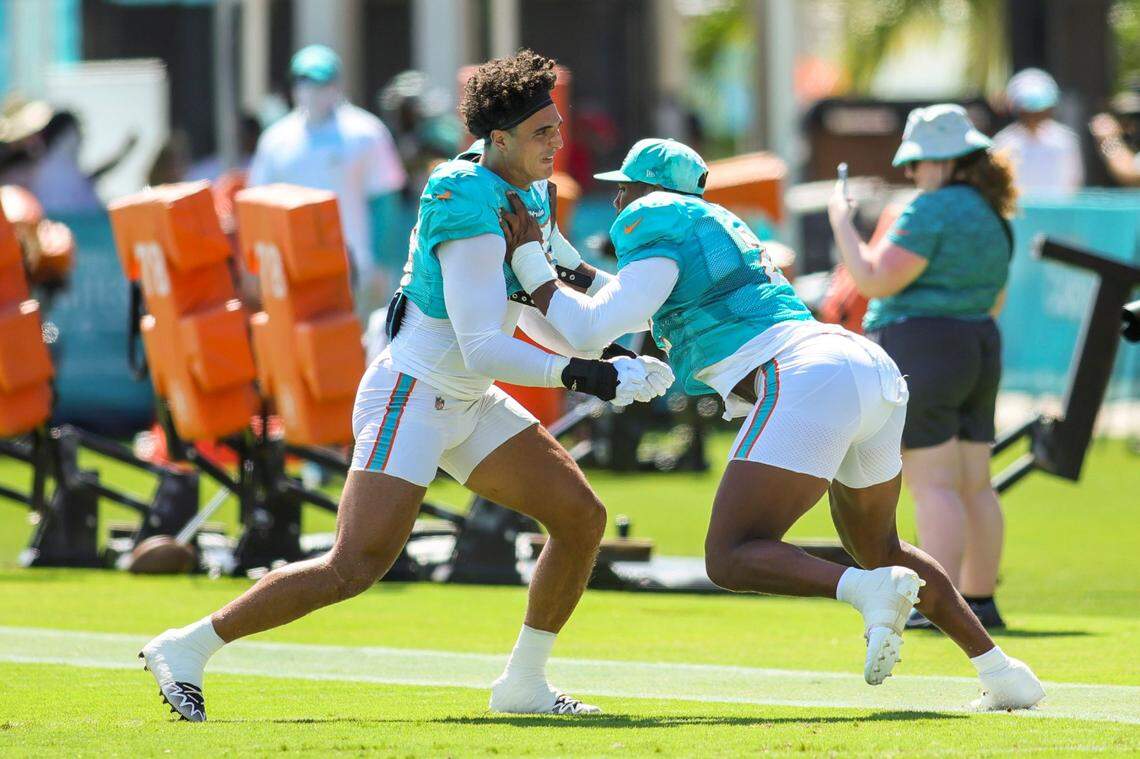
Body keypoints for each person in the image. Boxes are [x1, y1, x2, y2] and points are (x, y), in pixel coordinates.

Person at [139, 49, 672, 722]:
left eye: (556, 128)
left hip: (467, 398)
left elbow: (548, 307)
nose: (556, 143)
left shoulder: (530, 190)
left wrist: (617, 350)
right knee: (353, 566)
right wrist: (590, 375)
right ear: (499, 138)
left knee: (580, 517)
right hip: (414, 393)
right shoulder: (463, 192)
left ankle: (524, 684)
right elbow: (481, 343)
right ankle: (187, 646)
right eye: (542, 132)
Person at [498, 136, 1044, 710]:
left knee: (730, 554)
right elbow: (623, 298)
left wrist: (529, 260)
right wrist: (552, 248)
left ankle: (866, 591)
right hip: (863, 365)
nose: (618, 202)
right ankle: (1002, 671)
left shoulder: (654, 215)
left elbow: (591, 329)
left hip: (807, 374)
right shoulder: (708, 224)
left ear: (651, 191)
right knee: (879, 544)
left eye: (626, 188)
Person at [827, 104, 1016, 633]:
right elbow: (995, 299)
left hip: (925, 345)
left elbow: (872, 280)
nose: (912, 173)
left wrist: (841, 220)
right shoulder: (993, 213)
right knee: (976, 483)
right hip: (980, 343)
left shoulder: (930, 209)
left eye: (916, 162)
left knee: (933, 486)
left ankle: (940, 605)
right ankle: (981, 601)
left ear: (942, 161)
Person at [247, 45, 407, 313]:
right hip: (294, 269)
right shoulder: (276, 139)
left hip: (356, 267)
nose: (311, 91)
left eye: (320, 83)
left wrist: (382, 263)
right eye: (304, 82)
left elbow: (385, 200)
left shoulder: (365, 132)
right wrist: (259, 268)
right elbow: (260, 206)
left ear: (336, 84)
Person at [992, 68, 1083, 195]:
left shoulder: (1065, 139)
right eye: (1028, 111)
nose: (1034, 115)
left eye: (1039, 110)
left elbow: (1074, 184)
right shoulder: (1003, 142)